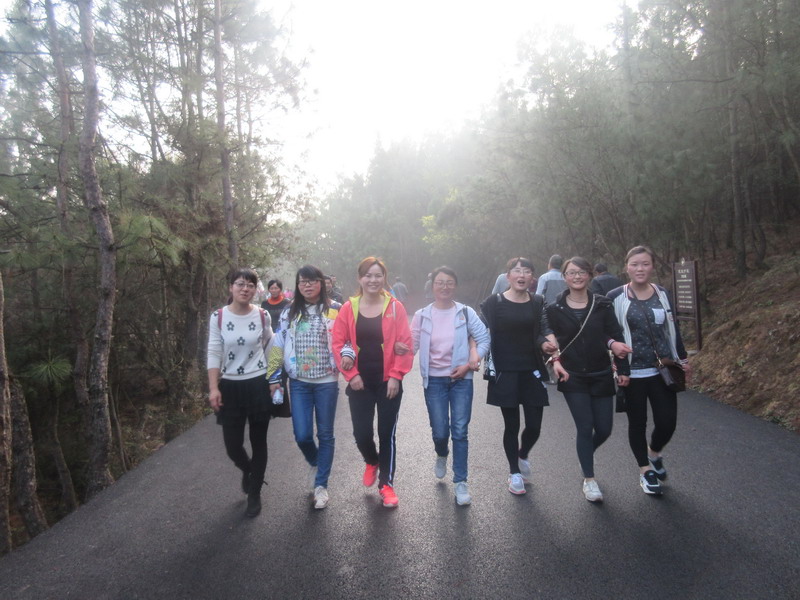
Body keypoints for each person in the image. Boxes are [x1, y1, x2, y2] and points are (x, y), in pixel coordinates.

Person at [607, 246, 691, 496]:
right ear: (626, 267)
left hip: (661, 369)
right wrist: (613, 349)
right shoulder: (615, 296)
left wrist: (683, 359)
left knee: (667, 422)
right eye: (634, 264)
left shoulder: (662, 293)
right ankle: (645, 471)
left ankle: (654, 453)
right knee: (637, 422)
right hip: (632, 372)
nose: (640, 269)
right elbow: (606, 330)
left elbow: (672, 329)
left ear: (652, 266)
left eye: (645, 264)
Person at [545, 257, 630, 502]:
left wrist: (623, 369)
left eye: (582, 272)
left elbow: (615, 335)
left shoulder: (602, 304)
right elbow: (548, 340)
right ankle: (589, 479)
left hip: (601, 372)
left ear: (590, 275)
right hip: (572, 375)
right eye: (571, 273)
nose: (577, 276)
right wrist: (554, 360)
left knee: (604, 429)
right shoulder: (555, 309)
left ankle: (585, 454)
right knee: (585, 427)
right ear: (564, 277)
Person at [333, 257, 414, 508]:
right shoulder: (349, 308)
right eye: (368, 275)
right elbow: (338, 343)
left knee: (386, 433)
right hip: (360, 382)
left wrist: (396, 376)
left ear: (384, 278)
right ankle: (371, 460)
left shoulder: (395, 307)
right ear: (360, 279)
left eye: (378, 275)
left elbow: (406, 344)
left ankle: (386, 484)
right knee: (362, 434)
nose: (373, 280)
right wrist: (352, 375)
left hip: (388, 381)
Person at [480, 257, 561, 495]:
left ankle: (522, 454)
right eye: (517, 271)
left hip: (532, 369)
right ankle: (514, 472)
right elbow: (479, 328)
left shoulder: (537, 301)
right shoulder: (494, 302)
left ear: (532, 278)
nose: (522, 275)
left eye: (526, 271)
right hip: (505, 371)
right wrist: (473, 353)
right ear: (508, 277)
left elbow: (543, 329)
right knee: (512, 425)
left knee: (534, 426)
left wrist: (548, 344)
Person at [411, 266, 489, 505]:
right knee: (440, 431)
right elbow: (410, 345)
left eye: (449, 282)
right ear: (432, 286)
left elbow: (484, 339)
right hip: (434, 381)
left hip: (461, 380)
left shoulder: (465, 312)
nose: (444, 287)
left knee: (460, 430)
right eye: (440, 282)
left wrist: (469, 364)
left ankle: (461, 482)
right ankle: (441, 453)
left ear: (455, 286)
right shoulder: (422, 315)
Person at [268, 266, 340, 510]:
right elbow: (278, 343)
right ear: (297, 286)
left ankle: (321, 486)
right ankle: (316, 462)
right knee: (302, 435)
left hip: (326, 381)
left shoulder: (335, 309)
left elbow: (346, 340)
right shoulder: (289, 311)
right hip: (299, 382)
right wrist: (273, 378)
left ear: (321, 283)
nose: (307, 285)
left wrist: (348, 358)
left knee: (326, 434)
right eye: (302, 282)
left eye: (312, 281)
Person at [207, 268, 273, 518]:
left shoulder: (263, 315)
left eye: (250, 285)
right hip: (230, 385)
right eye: (240, 284)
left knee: (259, 441)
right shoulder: (219, 317)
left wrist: (275, 378)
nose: (245, 289)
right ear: (231, 287)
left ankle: (255, 492)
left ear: (256, 289)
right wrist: (213, 387)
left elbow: (272, 346)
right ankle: (248, 470)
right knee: (232, 445)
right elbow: (214, 351)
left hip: (258, 383)